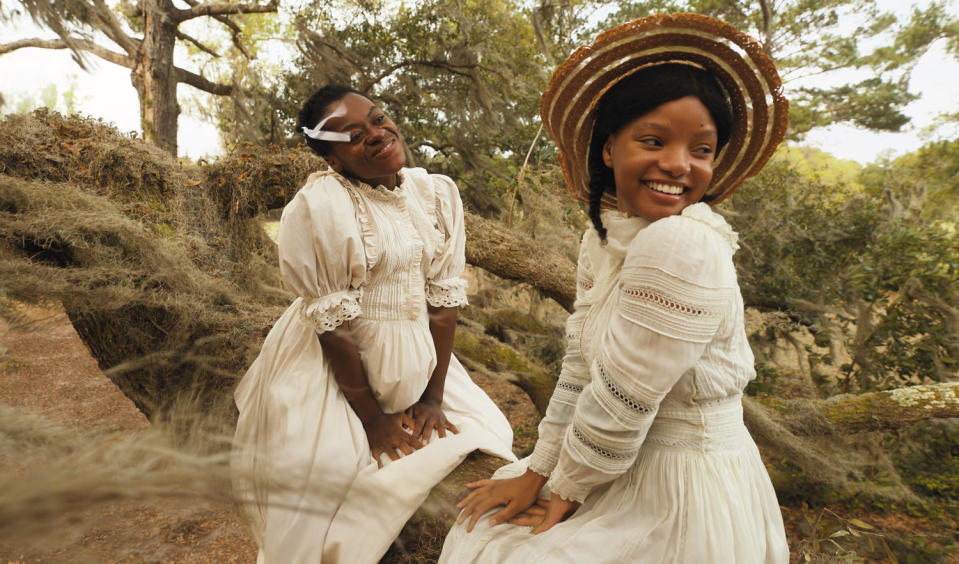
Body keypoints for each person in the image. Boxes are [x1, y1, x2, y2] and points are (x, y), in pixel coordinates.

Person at [441, 13, 790, 563]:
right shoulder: (604, 241)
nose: (678, 165)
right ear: (608, 149)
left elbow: (625, 398)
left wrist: (565, 488)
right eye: (653, 140)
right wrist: (538, 468)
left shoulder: (683, 243)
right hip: (622, 467)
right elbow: (582, 370)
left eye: (701, 150)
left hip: (678, 488)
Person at [231, 84, 516, 563]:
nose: (377, 134)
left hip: (416, 358)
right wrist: (372, 421)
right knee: (324, 494)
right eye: (353, 134)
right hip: (337, 367)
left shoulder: (435, 194)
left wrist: (432, 396)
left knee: (487, 433)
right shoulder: (322, 206)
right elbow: (332, 326)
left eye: (378, 119)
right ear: (334, 160)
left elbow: (442, 302)